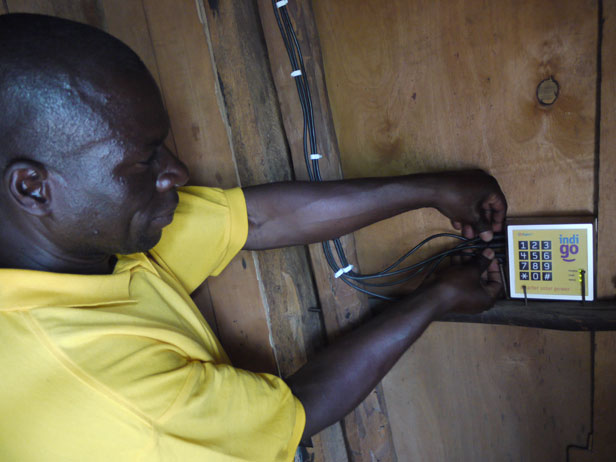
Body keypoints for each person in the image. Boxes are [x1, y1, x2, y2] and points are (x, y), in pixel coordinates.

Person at [0, 13, 506, 462]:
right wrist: (439, 297)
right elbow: (299, 408)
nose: (176, 172)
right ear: (32, 188)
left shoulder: (79, 246)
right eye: (144, 160)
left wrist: (435, 189)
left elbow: (259, 220)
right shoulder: (125, 402)